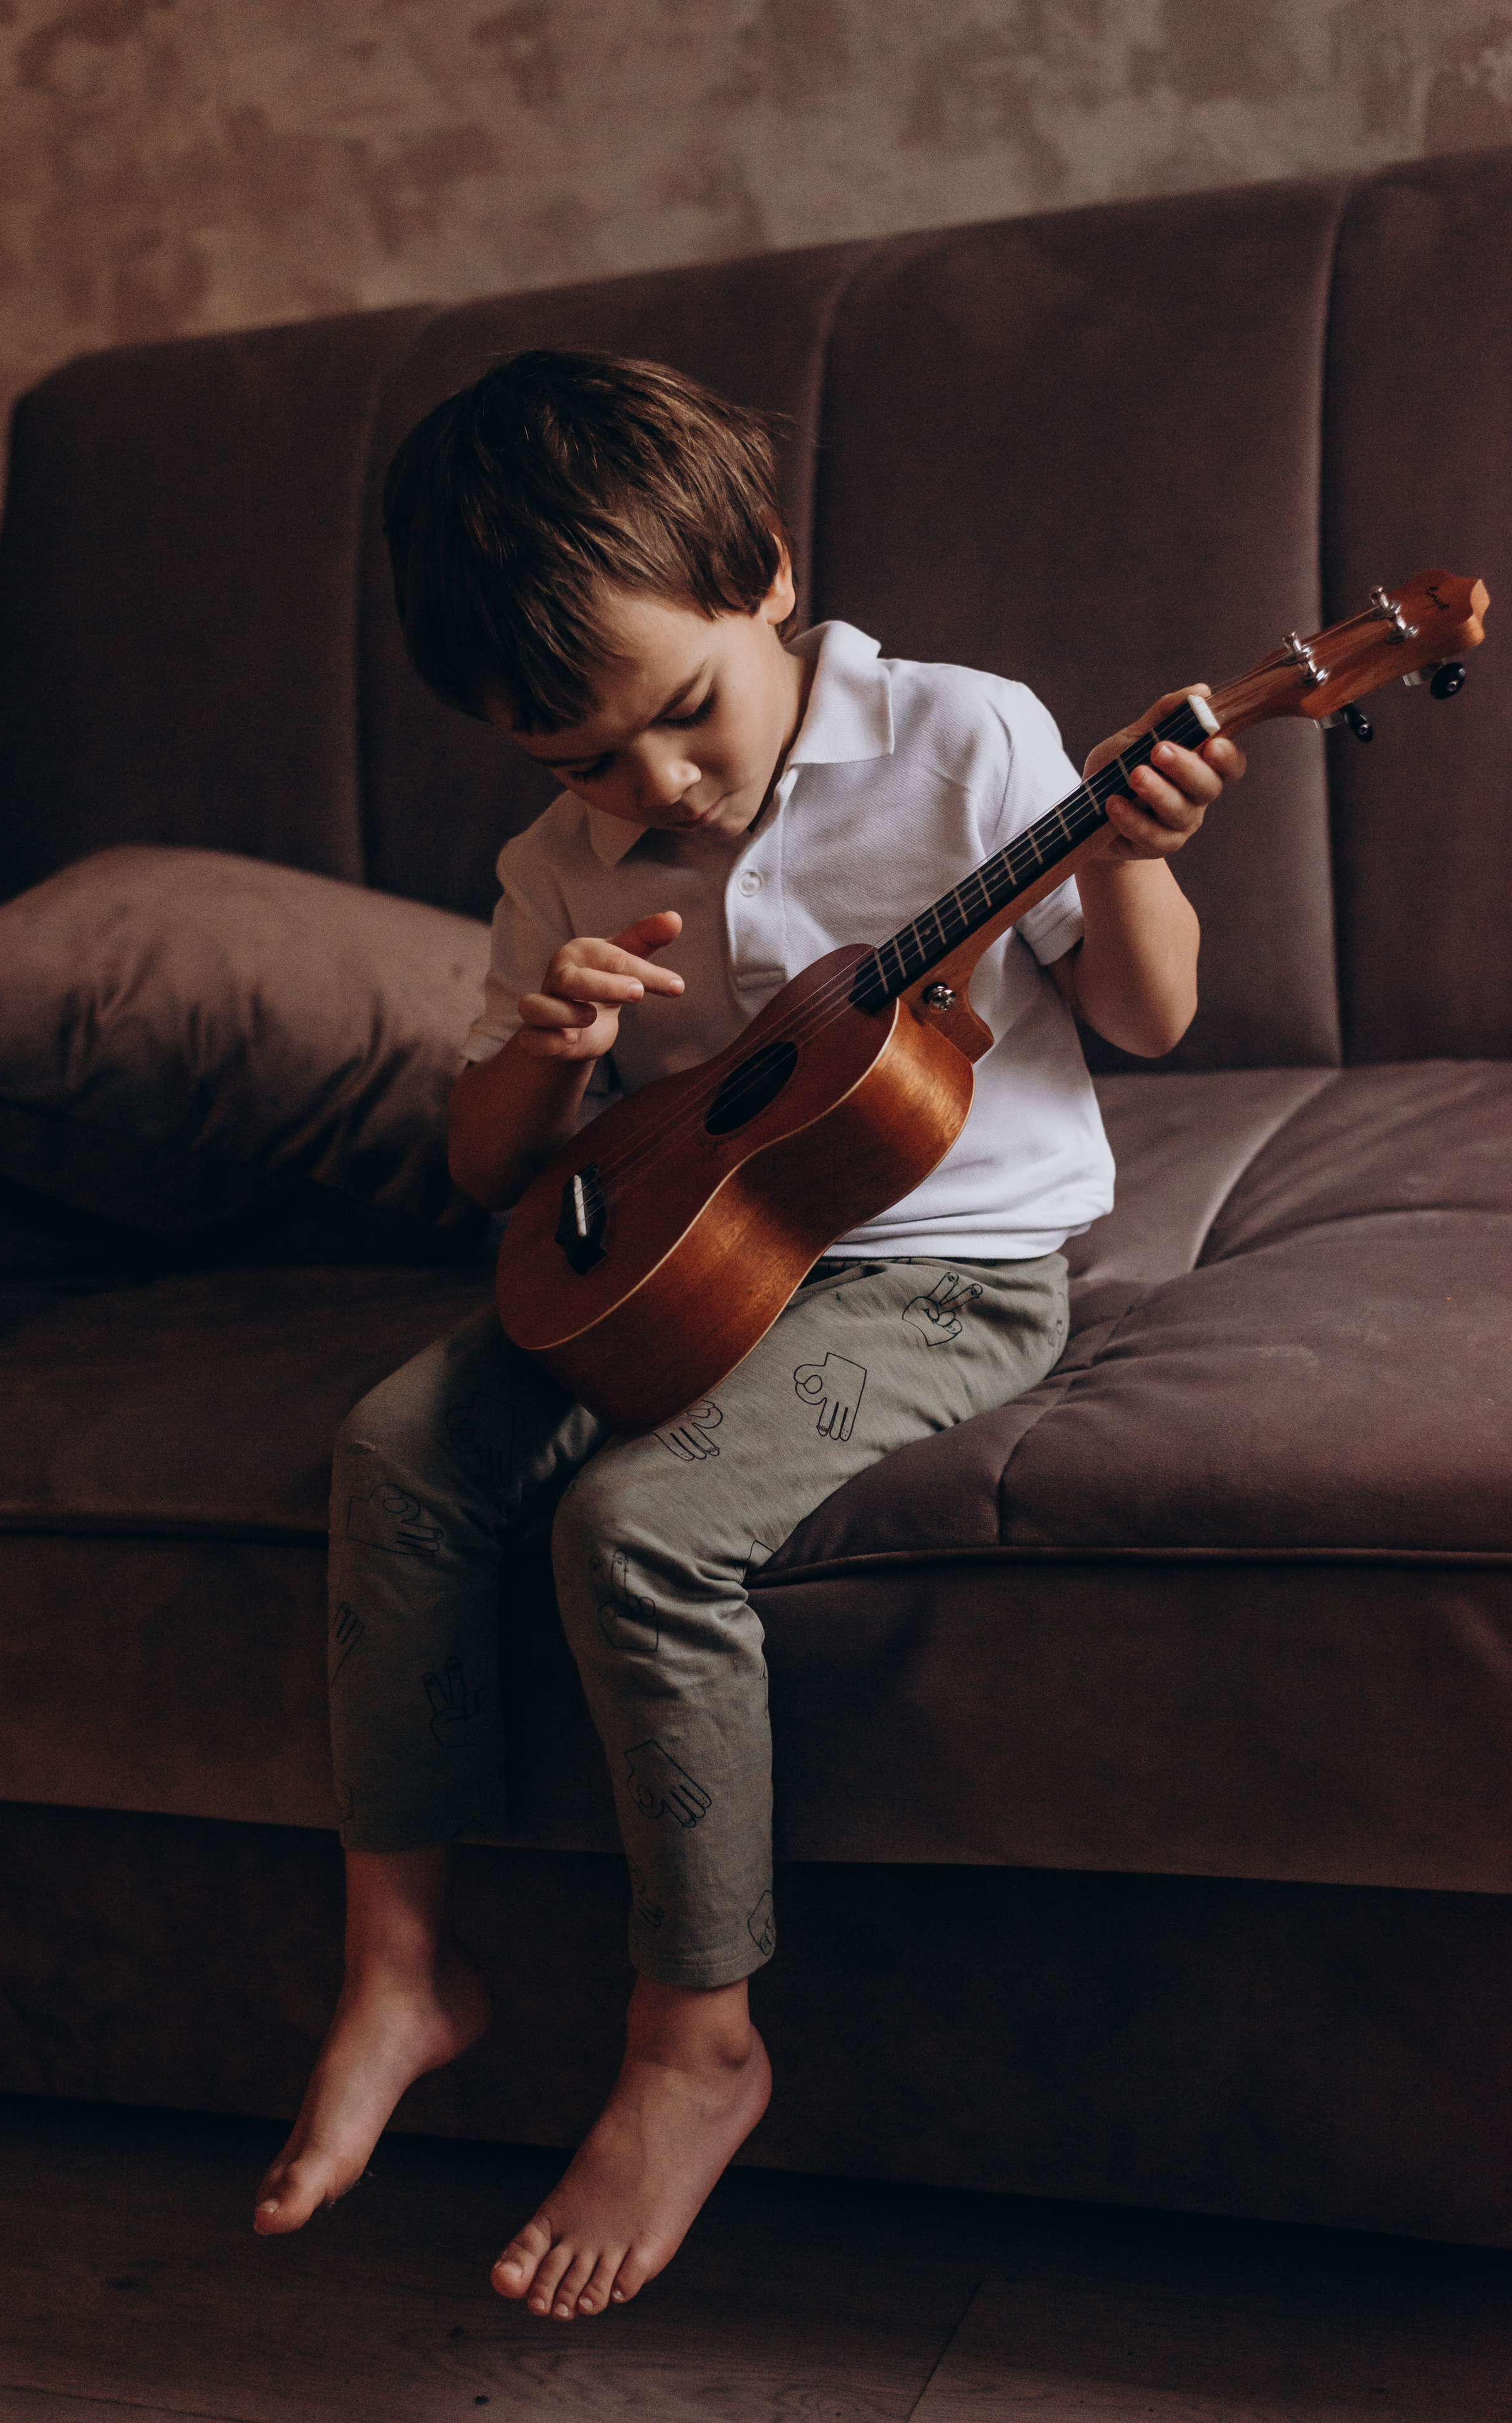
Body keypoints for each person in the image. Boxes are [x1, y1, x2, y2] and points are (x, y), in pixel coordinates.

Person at [251, 349, 1244, 2315]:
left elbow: (1148, 1021)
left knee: (636, 1530)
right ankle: (397, 1969)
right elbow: (484, 1164)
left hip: (942, 1269)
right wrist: (553, 1055)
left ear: (768, 574)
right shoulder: (563, 866)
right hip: (668, 1261)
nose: (657, 788)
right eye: (582, 761)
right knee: (393, 1447)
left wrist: (1126, 858)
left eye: (683, 715)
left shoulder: (963, 739)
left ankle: (697, 2036)